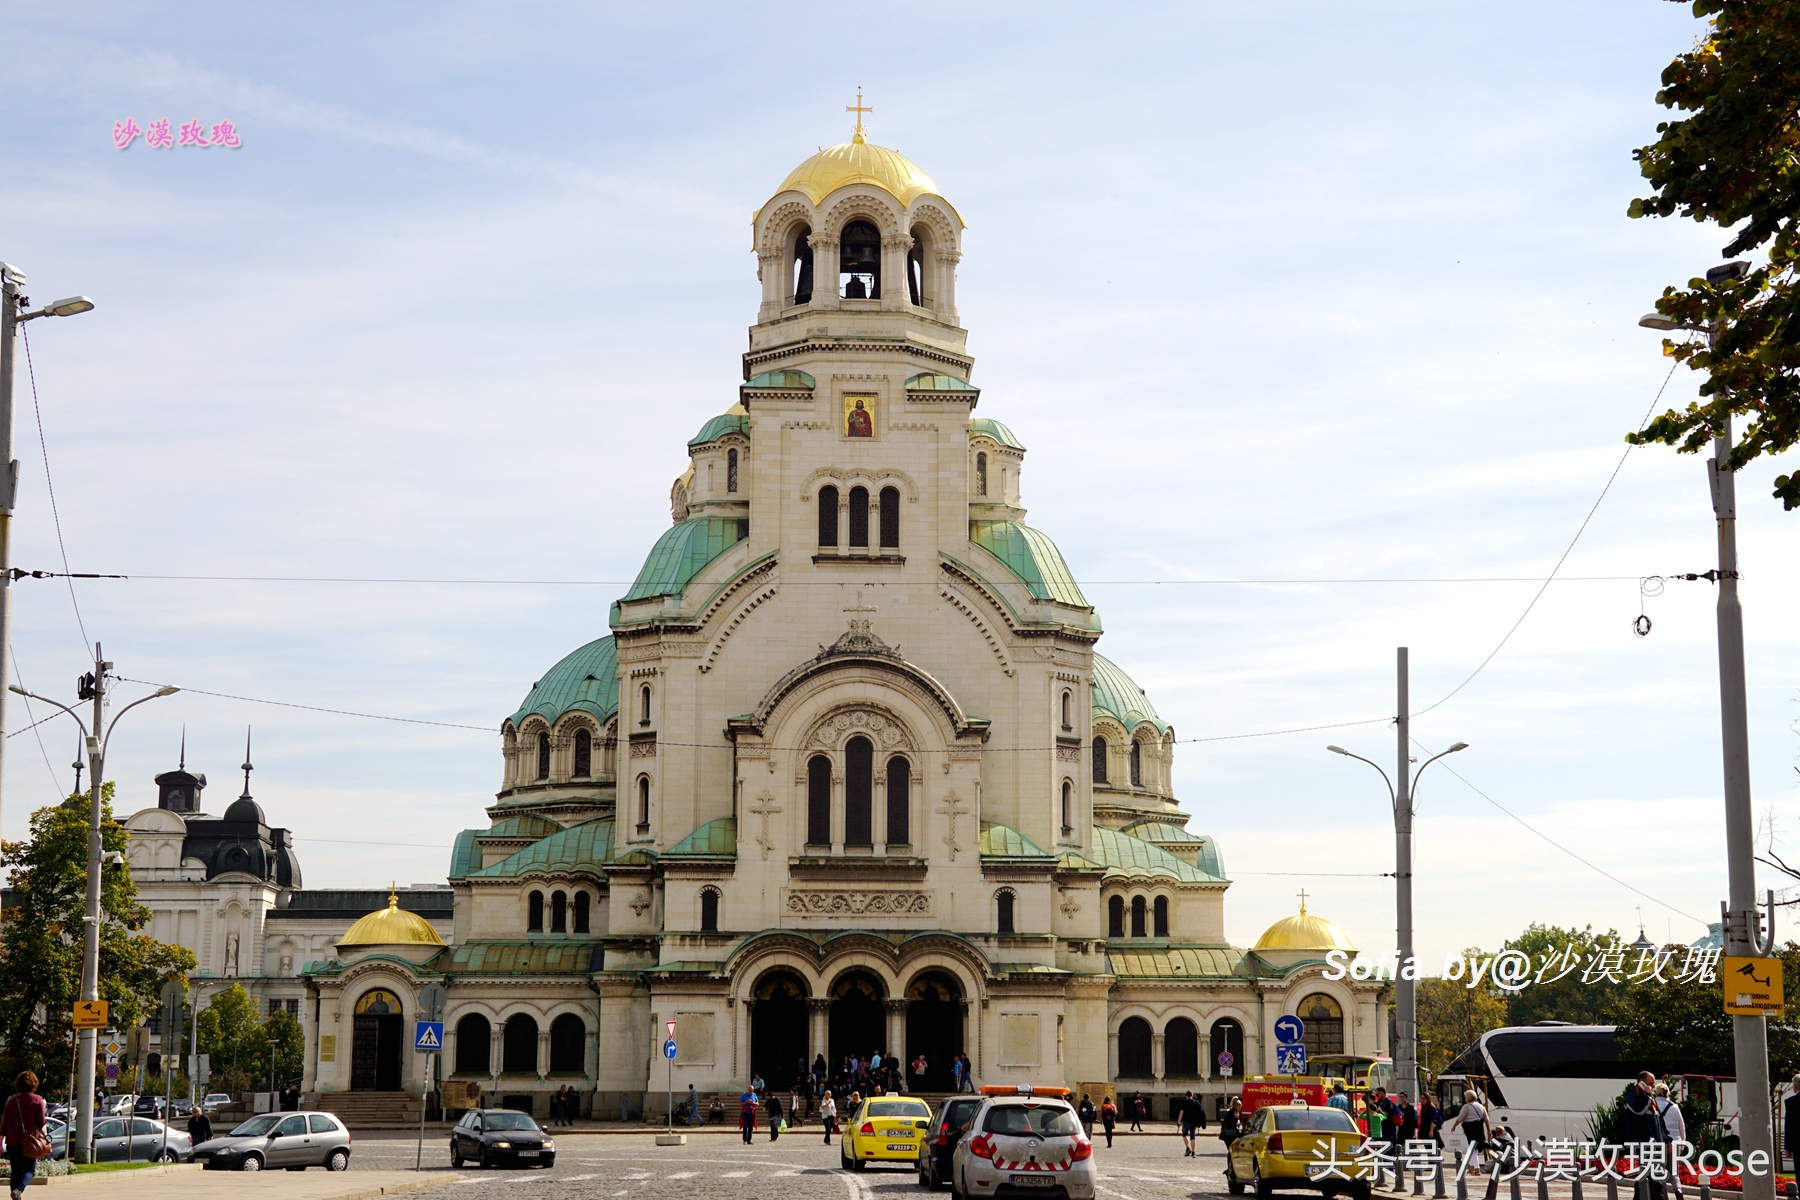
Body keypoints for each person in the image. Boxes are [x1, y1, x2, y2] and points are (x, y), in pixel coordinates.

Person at [3, 1071, 49, 1200]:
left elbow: (4, 1124)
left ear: (18, 1084)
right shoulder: (37, 1099)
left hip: (12, 1142)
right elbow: (41, 1121)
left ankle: (16, 1196)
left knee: (16, 1171)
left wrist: (0, 1141)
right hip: (29, 1142)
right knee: (30, 1170)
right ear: (34, 1084)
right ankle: (18, 1190)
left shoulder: (11, 1101)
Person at [1454, 1089, 1489, 1176]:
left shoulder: (1466, 1106)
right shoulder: (1481, 1106)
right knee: (1474, 1149)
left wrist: (1454, 1126)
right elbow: (1486, 1119)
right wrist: (1488, 1130)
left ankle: (1477, 1169)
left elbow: (1460, 1118)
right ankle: (1472, 1167)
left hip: (1469, 1130)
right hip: (1479, 1130)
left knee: (1471, 1149)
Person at [1177, 1091, 1200, 1157]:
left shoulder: (1184, 1103)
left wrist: (1178, 1121)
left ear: (1186, 1096)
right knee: (1193, 1137)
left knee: (1184, 1135)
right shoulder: (1196, 1103)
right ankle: (1193, 1152)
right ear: (1192, 1095)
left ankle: (1187, 1148)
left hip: (1186, 1122)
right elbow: (1199, 1112)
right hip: (1193, 1122)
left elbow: (1181, 1113)